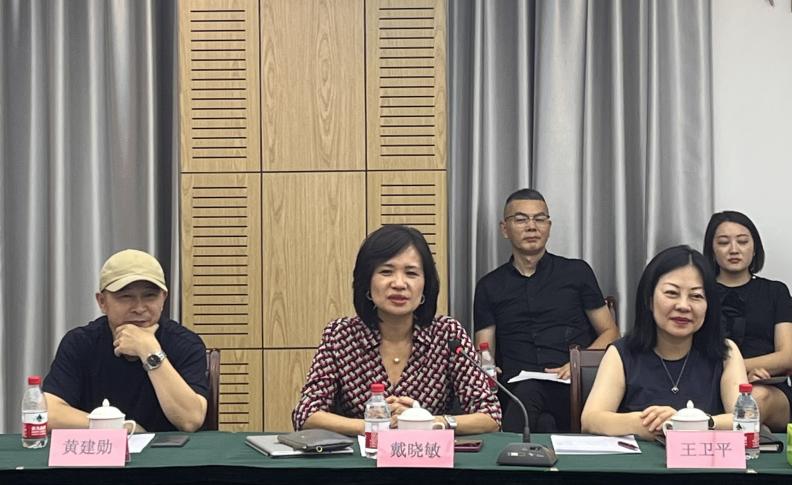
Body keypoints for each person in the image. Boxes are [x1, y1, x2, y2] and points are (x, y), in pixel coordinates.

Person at [292, 225, 501, 435]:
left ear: (425, 285)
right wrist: (375, 425)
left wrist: (427, 421)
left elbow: (490, 416)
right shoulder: (341, 335)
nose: (399, 284)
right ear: (367, 282)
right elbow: (306, 414)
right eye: (386, 271)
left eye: (411, 273)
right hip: (364, 454)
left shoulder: (447, 334)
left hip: (426, 453)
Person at [474, 188, 619, 432]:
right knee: (540, 416)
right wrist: (486, 365)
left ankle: (506, 454)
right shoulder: (489, 286)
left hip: (570, 387)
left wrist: (577, 364)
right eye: (521, 219)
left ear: (549, 226)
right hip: (515, 389)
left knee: (532, 398)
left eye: (539, 219)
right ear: (504, 229)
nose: (532, 226)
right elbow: (484, 349)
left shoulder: (577, 272)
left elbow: (610, 332)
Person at [581, 246, 748, 439]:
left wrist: (691, 423)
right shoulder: (622, 352)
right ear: (649, 300)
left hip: (706, 457)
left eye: (696, 296)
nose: (683, 306)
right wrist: (647, 423)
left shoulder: (726, 352)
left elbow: (744, 420)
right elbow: (590, 420)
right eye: (672, 293)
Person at [43, 249, 209, 432]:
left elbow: (190, 421)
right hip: (100, 448)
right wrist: (122, 427)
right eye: (126, 297)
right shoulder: (80, 343)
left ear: (163, 299)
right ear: (102, 302)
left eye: (150, 296)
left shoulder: (186, 343)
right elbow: (49, 414)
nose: (139, 308)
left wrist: (150, 351)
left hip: (169, 450)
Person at [703, 210, 792, 431]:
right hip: (709, 382)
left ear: (755, 248)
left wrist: (741, 371)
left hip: (767, 385)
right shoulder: (699, 292)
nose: (734, 249)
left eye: (742, 241)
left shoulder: (776, 291)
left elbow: (787, 355)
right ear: (712, 250)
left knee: (751, 401)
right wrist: (734, 376)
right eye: (723, 242)